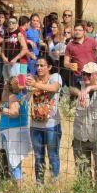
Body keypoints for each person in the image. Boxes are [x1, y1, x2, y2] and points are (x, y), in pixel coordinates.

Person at [69, 61, 97, 189]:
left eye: (88, 75)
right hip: (81, 137)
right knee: (83, 173)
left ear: (96, 75)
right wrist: (79, 93)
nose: (85, 77)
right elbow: (70, 88)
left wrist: (90, 88)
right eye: (83, 74)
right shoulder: (79, 85)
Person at [27, 56, 63, 184]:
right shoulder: (32, 79)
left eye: (42, 65)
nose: (39, 68)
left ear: (49, 67)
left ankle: (54, 184)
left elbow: (54, 88)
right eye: (37, 65)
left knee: (53, 156)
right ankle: (39, 185)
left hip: (52, 124)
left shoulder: (55, 77)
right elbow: (25, 96)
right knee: (38, 157)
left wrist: (35, 85)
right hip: (35, 124)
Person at [0, 76, 31, 181]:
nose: (4, 87)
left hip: (12, 133)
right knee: (16, 162)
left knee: (13, 163)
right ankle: (18, 186)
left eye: (7, 85)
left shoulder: (12, 97)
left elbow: (14, 113)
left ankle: (19, 189)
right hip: (18, 131)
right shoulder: (23, 96)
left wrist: (0, 108)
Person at [64, 23, 97, 88]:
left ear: (84, 32)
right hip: (78, 76)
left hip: (92, 75)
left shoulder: (92, 41)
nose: (77, 32)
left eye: (80, 30)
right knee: (80, 97)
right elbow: (65, 63)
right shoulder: (70, 45)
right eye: (76, 30)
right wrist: (70, 65)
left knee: (93, 97)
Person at [1, 17, 30, 84]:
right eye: (9, 22)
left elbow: (25, 49)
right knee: (7, 83)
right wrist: (3, 57)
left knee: (16, 84)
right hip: (6, 63)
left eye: (13, 22)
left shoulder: (19, 34)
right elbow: (2, 49)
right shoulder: (6, 34)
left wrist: (15, 59)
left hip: (16, 63)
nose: (10, 24)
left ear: (16, 24)